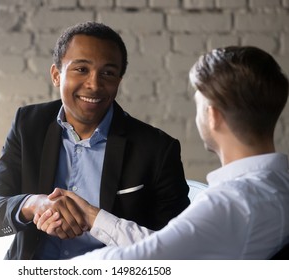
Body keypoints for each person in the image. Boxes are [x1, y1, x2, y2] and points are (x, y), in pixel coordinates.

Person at [36, 46, 289, 259]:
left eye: (199, 105)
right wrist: (93, 217)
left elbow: (140, 260)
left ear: (213, 116)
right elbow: (165, 247)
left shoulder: (229, 202)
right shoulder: (277, 186)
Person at [0, 21, 190, 260]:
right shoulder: (28, 125)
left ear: (119, 81)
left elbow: (178, 248)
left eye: (107, 73)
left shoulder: (157, 149)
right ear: (57, 75)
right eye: (81, 69)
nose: (94, 85)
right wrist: (33, 204)